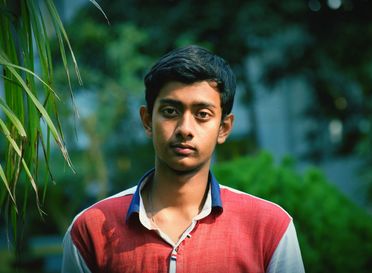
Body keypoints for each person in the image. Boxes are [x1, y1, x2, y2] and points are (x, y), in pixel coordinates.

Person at [61, 45, 305, 273]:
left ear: (224, 128)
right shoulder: (90, 230)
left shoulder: (270, 227)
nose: (185, 129)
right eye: (170, 112)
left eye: (202, 114)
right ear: (147, 120)